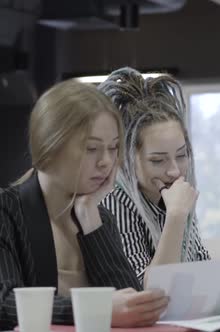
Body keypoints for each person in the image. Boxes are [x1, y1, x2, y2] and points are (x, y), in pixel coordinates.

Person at [98, 67, 220, 300]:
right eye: (158, 160)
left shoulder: (171, 197)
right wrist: (176, 217)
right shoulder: (113, 202)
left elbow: (200, 270)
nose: (174, 170)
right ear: (127, 158)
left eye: (182, 155)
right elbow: (151, 295)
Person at [0, 80, 169, 330]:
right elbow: (4, 302)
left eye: (113, 148)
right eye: (92, 149)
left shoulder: (100, 217)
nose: (106, 162)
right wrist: (96, 310)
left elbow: (129, 301)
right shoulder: (7, 211)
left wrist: (91, 220)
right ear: (50, 147)